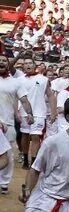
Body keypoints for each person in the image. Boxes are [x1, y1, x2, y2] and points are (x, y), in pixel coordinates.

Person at [0, 54, 35, 195]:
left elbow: (24, 100)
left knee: (7, 155)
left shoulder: (15, 82)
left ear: (8, 64)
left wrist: (30, 114)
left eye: (4, 60)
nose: (1, 62)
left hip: (7, 124)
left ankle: (4, 184)